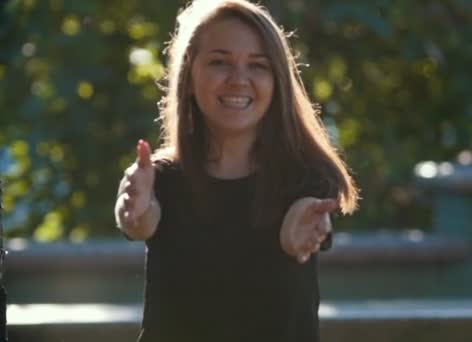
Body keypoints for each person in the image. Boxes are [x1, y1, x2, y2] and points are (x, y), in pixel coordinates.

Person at [114, 0, 359, 341]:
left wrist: (300, 234)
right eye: (219, 62)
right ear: (188, 73)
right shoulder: (160, 176)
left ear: (278, 81)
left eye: (257, 66)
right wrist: (133, 209)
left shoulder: (307, 175)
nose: (239, 79)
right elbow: (141, 219)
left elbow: (307, 218)